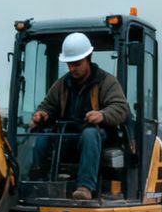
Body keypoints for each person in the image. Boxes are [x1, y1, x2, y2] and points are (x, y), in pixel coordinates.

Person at [28, 32, 130, 200]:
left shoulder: (106, 81)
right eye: (69, 64)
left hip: (97, 138)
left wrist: (102, 115)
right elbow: (48, 105)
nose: (72, 68)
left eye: (76, 63)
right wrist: (42, 114)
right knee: (43, 137)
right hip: (68, 137)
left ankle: (85, 187)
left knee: (89, 134)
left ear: (88, 58)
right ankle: (38, 182)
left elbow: (120, 108)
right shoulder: (63, 84)